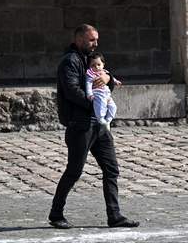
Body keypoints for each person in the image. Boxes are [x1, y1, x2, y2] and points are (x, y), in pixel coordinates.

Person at [49, 24, 139, 229]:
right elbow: (72, 91)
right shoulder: (69, 61)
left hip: (99, 125)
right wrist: (97, 103)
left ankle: (114, 216)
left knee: (111, 168)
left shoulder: (92, 59)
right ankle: (56, 214)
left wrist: (108, 81)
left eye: (96, 40)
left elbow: (105, 78)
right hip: (80, 125)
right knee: (74, 171)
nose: (95, 43)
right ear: (79, 39)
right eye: (91, 40)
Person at [85, 52, 121, 129]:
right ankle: (100, 118)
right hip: (98, 93)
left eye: (98, 65)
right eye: (93, 65)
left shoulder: (104, 72)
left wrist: (115, 81)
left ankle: (108, 120)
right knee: (101, 105)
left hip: (106, 93)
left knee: (113, 106)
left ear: (103, 64)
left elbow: (112, 78)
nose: (96, 67)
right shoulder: (90, 74)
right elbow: (88, 84)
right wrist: (89, 94)